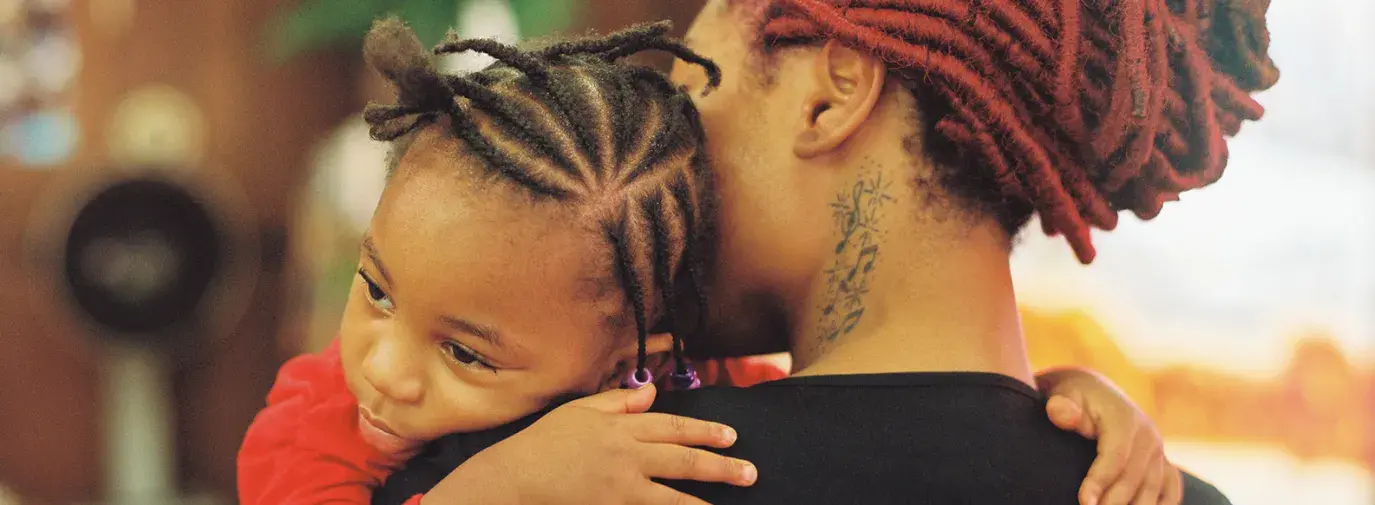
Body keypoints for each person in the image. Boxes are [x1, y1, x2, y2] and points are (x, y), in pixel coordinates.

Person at [238, 17, 1185, 505]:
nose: (667, 144)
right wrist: (1054, 407)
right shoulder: (1159, 490)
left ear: (829, 97)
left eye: (691, 83)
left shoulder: (524, 475)